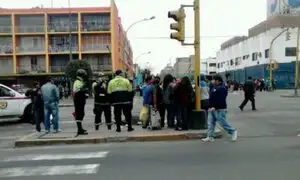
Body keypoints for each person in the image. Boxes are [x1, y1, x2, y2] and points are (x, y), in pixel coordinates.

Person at [202, 75, 237, 142]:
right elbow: (212, 98)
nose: (212, 81)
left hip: (219, 109)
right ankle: (210, 136)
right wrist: (210, 107)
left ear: (217, 80)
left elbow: (221, 99)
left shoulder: (222, 88)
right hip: (211, 108)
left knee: (222, 122)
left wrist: (214, 107)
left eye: (213, 80)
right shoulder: (215, 87)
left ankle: (233, 131)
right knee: (210, 123)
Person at [73, 69, 89, 135]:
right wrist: (84, 89)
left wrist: (85, 94)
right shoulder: (77, 81)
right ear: (81, 75)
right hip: (78, 100)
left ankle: (80, 128)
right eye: (84, 74)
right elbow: (76, 90)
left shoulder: (80, 81)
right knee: (79, 114)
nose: (85, 76)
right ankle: (79, 130)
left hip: (80, 100)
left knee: (81, 114)